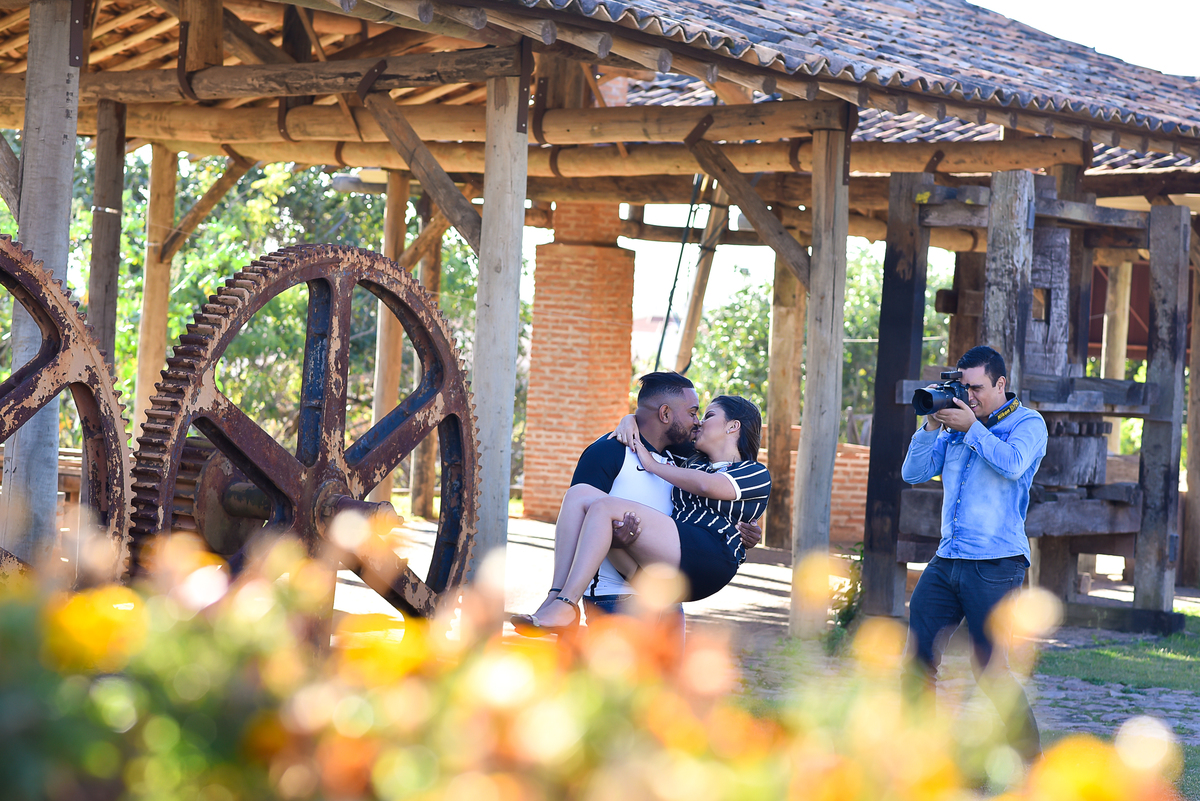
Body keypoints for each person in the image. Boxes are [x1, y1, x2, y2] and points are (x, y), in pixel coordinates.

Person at [513, 392, 771, 635]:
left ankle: (567, 604)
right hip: (667, 565)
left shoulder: (754, 472)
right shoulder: (692, 460)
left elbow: (707, 486)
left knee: (605, 507)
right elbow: (655, 431)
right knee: (579, 495)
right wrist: (629, 419)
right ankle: (555, 597)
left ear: (733, 426)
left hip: (710, 555)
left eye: (709, 415)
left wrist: (650, 464)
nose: (700, 422)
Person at [900, 345, 1047, 761]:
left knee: (990, 669)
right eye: (964, 387)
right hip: (947, 559)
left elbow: (1013, 464)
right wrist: (931, 424)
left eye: (977, 388)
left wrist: (972, 430)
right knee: (916, 657)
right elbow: (913, 473)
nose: (969, 396)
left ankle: (1031, 762)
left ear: (1001, 383)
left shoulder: (1028, 423)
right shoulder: (953, 427)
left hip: (996, 564)